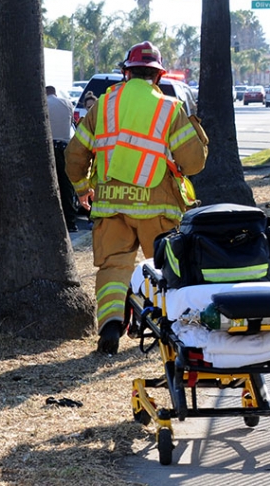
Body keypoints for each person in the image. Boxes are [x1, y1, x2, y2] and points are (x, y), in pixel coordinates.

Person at [65, 41, 208, 355]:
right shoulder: (169, 108)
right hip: (157, 206)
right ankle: (168, 328)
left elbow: (75, 155)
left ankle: (111, 325)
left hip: (110, 205)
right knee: (166, 269)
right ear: (157, 76)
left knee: (114, 268)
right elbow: (195, 162)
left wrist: (81, 188)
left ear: (124, 73)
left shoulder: (102, 107)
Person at [46, 86, 79, 233]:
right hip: (65, 147)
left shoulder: (43, 103)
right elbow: (71, 121)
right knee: (66, 186)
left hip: (49, 148)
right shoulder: (67, 103)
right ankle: (71, 222)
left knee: (49, 186)